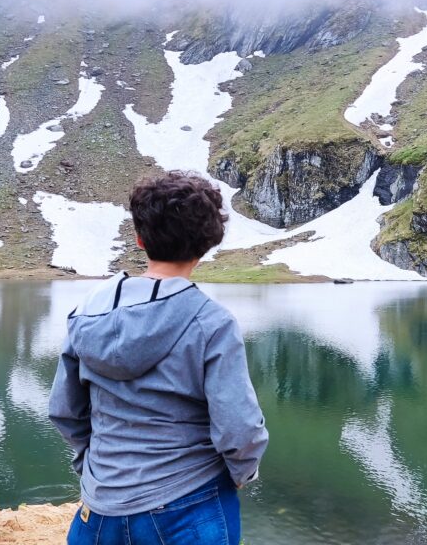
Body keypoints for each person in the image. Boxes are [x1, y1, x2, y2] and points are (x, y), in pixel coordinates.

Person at [48, 171, 268, 545]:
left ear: (139, 238)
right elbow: (238, 430)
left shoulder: (87, 313)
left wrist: (96, 467)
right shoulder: (211, 322)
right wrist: (243, 473)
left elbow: (66, 411)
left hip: (99, 511)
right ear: (208, 243)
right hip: (189, 505)